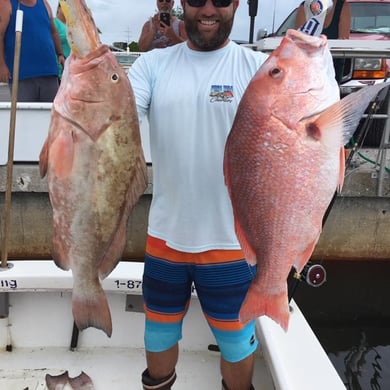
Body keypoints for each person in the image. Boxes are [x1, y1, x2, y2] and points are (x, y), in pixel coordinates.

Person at [129, 1, 268, 389]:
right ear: (181, 5)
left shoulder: (258, 70)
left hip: (232, 243)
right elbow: (117, 115)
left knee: (237, 345)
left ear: (236, 4)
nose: (208, 9)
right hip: (164, 238)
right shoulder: (151, 66)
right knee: (156, 338)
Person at [0, 0, 65, 102]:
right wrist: (2, 65)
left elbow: (53, 31)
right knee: (24, 115)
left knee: (51, 114)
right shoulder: (6, 3)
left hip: (49, 71)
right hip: (21, 74)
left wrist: (60, 53)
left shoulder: (44, 3)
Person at [295, 0, 351, 82]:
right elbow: (299, 41)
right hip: (308, 68)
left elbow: (343, 42)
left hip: (332, 68)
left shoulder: (343, 6)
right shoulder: (305, 6)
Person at [54, 1, 70, 80]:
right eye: (65, 6)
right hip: (59, 69)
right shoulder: (54, 22)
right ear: (59, 8)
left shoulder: (71, 25)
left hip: (71, 71)